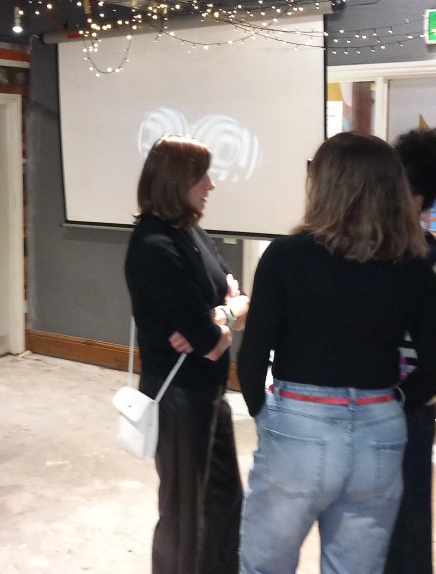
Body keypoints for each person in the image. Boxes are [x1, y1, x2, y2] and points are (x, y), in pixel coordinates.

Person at [236, 132, 436, 574]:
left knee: (263, 567)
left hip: (299, 423)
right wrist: (391, 406)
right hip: (380, 431)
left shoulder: (284, 256)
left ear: (324, 185)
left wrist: (268, 417)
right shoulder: (412, 263)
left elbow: (251, 359)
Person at [123, 134, 251, 574]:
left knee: (225, 500)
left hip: (209, 394)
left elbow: (239, 302)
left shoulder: (191, 232)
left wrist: (220, 315)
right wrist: (218, 322)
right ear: (177, 181)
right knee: (183, 517)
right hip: (177, 398)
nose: (211, 184)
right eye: (202, 176)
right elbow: (210, 342)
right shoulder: (153, 245)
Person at [385, 128, 436, 574]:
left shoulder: (419, 256)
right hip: (409, 400)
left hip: (405, 401)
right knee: (404, 512)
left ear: (417, 199)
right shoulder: (426, 252)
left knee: (405, 514)